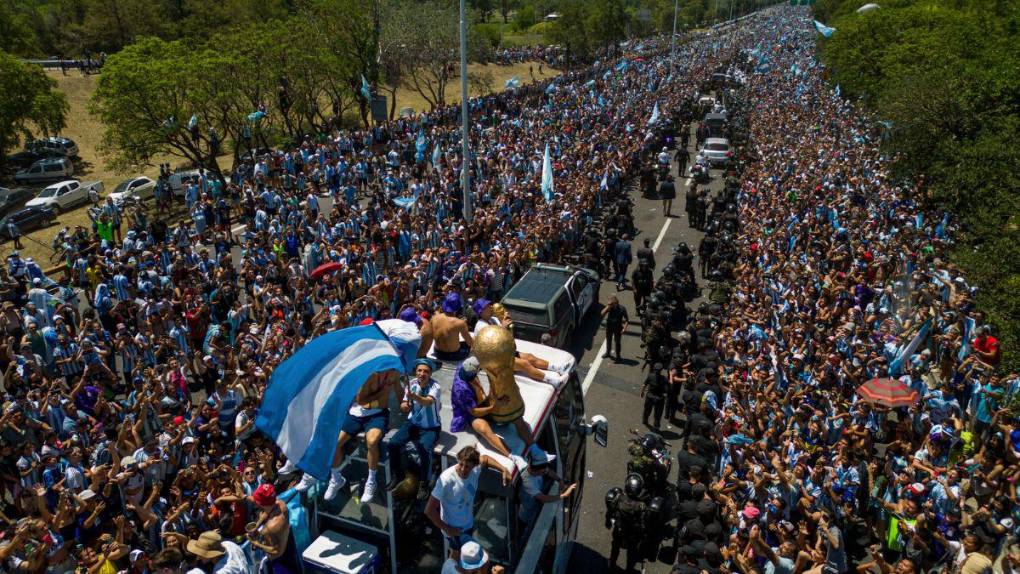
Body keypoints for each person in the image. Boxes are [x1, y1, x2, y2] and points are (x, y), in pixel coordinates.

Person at [295, 368, 403, 503]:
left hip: (377, 415)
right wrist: (382, 393)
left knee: (372, 441)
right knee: (333, 442)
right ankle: (335, 478)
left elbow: (395, 396)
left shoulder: (393, 373)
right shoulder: (368, 372)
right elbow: (361, 400)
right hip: (356, 413)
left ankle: (371, 480)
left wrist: (403, 403)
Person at [426, 446, 512, 560]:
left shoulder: (476, 470)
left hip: (468, 524)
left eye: (467, 467)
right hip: (453, 529)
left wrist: (503, 469)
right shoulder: (446, 480)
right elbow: (429, 510)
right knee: (457, 555)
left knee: (464, 555)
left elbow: (485, 459)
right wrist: (447, 529)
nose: (463, 469)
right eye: (461, 464)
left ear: (474, 465)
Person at [387, 358, 442, 489]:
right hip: (413, 423)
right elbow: (404, 405)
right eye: (419, 371)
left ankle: (424, 482)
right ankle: (398, 474)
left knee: (424, 449)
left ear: (430, 374)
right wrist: (405, 405)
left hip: (430, 427)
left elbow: (428, 402)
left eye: (426, 371)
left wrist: (414, 397)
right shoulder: (411, 384)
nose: (422, 374)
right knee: (393, 444)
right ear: (416, 372)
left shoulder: (435, 386)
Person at [517, 447, 576, 535]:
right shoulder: (528, 482)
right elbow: (543, 498)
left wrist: (560, 480)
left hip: (535, 504)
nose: (546, 470)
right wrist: (564, 495)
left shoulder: (535, 467)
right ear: (538, 471)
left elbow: (549, 472)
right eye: (543, 470)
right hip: (527, 515)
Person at [247, 484, 294, 574]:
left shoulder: (270, 528)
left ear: (260, 503)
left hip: (278, 558)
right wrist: (257, 524)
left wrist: (255, 543)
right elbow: (267, 510)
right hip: (287, 542)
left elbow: (276, 550)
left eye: (256, 500)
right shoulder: (280, 503)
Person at [607, 473, 648, 573]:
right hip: (632, 532)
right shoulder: (640, 506)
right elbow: (643, 521)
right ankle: (629, 569)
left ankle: (612, 563)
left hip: (619, 528)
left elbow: (611, 509)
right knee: (631, 552)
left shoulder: (619, 498)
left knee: (615, 546)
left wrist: (608, 520)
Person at [432, 292, 473, 361]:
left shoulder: (434, 317)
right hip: (453, 355)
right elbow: (470, 342)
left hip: (437, 352)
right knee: (470, 343)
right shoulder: (459, 323)